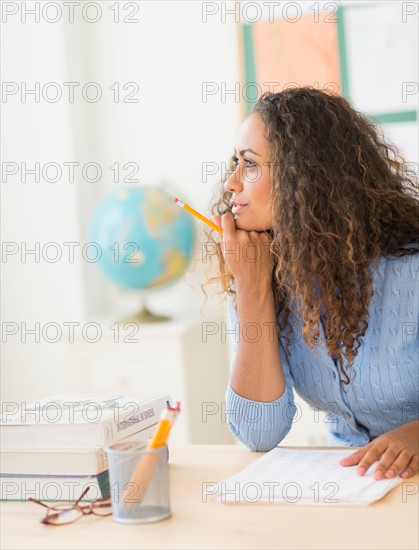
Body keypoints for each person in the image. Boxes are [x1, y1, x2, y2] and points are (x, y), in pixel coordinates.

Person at [205, 87, 419, 480]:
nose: (231, 184)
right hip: (354, 480)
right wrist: (252, 293)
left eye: (250, 165)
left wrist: (416, 435)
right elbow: (259, 433)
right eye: (236, 163)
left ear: (305, 176)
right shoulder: (263, 274)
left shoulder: (411, 266)